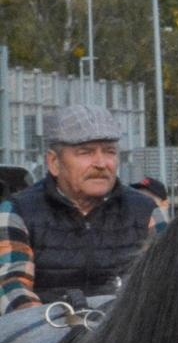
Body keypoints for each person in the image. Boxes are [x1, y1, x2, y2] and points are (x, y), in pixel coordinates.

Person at [0, 105, 167, 317]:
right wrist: (56, 330)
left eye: (110, 152)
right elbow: (9, 285)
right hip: (49, 341)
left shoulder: (145, 211)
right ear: (54, 162)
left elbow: (167, 282)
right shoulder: (17, 211)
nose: (101, 163)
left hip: (128, 339)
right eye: (86, 152)